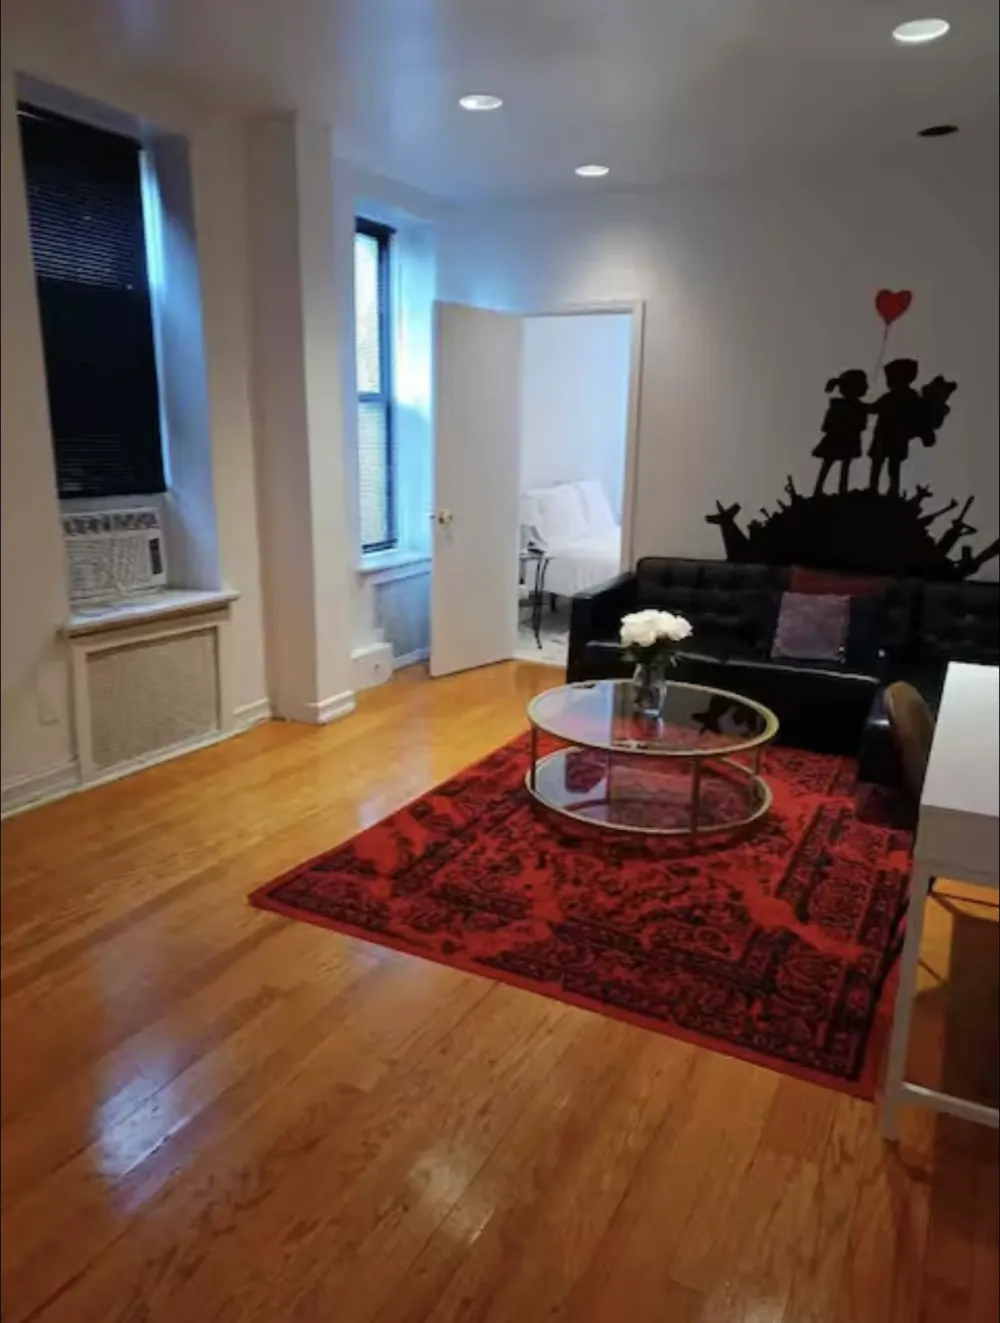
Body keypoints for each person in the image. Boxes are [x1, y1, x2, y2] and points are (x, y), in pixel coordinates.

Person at [867, 358, 925, 496]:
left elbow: (919, 415)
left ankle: (892, 489)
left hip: (898, 435)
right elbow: (874, 408)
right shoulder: (889, 397)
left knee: (893, 465)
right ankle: (873, 488)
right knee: (879, 463)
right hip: (883, 435)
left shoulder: (911, 397)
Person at [813, 369, 869, 495]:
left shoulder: (854, 406)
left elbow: (861, 424)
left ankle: (837, 489)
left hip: (846, 437)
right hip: (840, 437)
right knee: (831, 462)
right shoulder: (840, 405)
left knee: (840, 463)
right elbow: (829, 422)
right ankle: (820, 488)